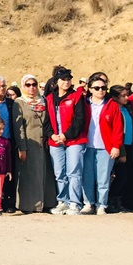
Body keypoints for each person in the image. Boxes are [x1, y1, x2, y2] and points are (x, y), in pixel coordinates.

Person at [42, 68, 87, 215]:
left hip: (74, 140)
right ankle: (63, 201)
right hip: (55, 141)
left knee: (74, 172)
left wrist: (66, 135)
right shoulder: (49, 98)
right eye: (63, 79)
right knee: (59, 173)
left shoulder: (76, 96)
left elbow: (80, 120)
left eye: (69, 79)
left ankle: (74, 203)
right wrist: (51, 134)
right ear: (56, 82)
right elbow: (46, 121)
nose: (67, 82)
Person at [12, 74, 57, 213]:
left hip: (44, 143)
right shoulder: (19, 102)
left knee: (45, 173)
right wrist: (22, 147)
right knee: (29, 174)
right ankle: (29, 205)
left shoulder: (42, 100)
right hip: (29, 143)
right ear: (23, 86)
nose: (32, 88)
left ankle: (46, 203)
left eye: (34, 84)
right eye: (28, 85)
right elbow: (18, 126)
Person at [81, 74, 122, 215]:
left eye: (103, 88)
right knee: (87, 177)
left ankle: (101, 205)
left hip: (106, 147)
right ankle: (88, 203)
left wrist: (116, 146)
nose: (100, 90)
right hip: (86, 146)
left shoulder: (112, 106)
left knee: (103, 178)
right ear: (90, 89)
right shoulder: (84, 104)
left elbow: (118, 128)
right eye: (97, 88)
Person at [0, 76, 17, 213]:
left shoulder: (12, 103)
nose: (1, 89)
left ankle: (9, 203)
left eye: (3, 86)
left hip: (8, 143)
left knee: (8, 173)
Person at [107, 85, 133, 212]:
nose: (126, 98)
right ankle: (111, 200)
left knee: (126, 175)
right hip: (119, 147)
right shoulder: (115, 109)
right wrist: (121, 152)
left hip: (129, 145)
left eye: (126, 95)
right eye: (123, 96)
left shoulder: (126, 109)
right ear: (114, 97)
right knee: (120, 175)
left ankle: (118, 201)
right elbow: (117, 132)